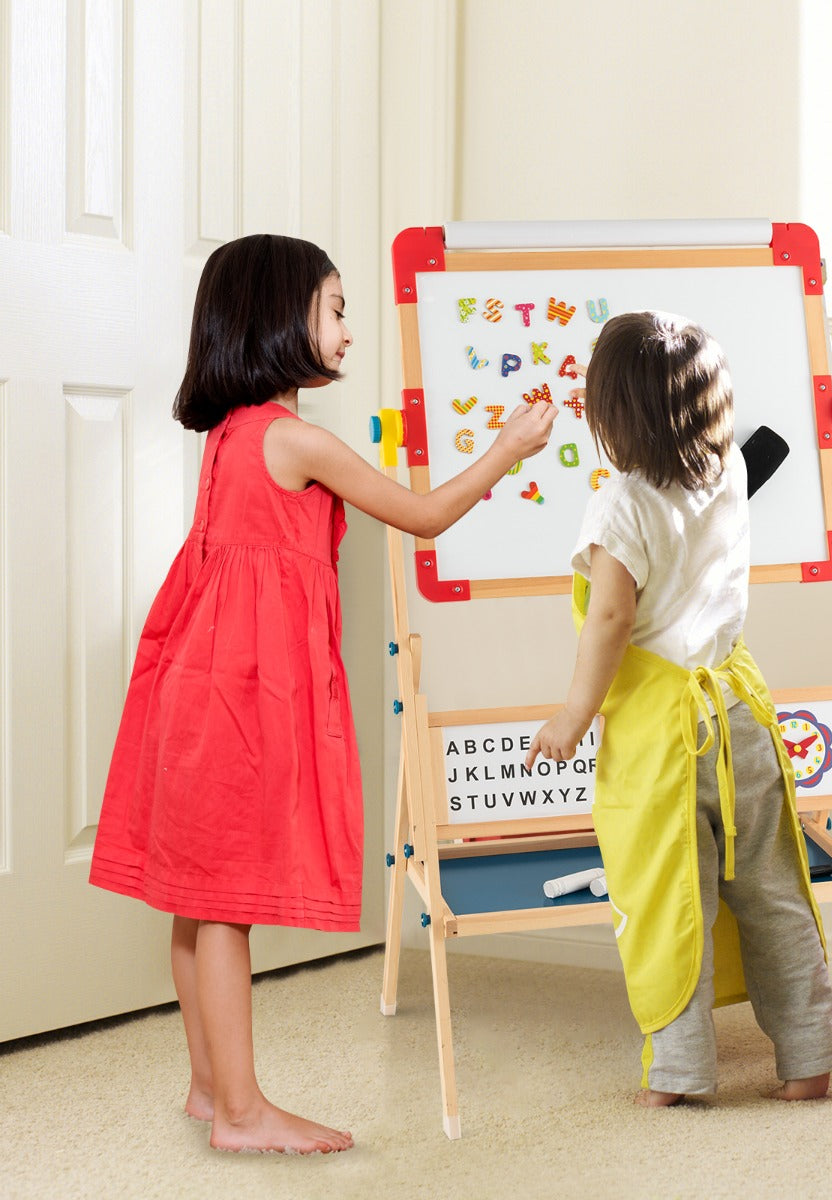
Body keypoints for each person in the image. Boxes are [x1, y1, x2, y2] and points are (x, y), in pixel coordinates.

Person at [90, 233, 557, 1154]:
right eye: (337, 308)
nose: (350, 328)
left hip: (197, 685)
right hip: (238, 697)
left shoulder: (231, 438)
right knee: (223, 902)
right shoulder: (294, 439)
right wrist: (509, 447)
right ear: (281, 316)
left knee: (199, 897)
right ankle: (241, 1111)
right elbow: (420, 517)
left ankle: (207, 1085)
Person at [525, 311, 832, 1106]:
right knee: (772, 888)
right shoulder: (729, 473)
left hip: (664, 735)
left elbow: (609, 621)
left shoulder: (621, 506)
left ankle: (679, 1074)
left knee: (671, 897)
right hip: (740, 711)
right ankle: (809, 1057)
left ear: (612, 414)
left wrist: (572, 715)